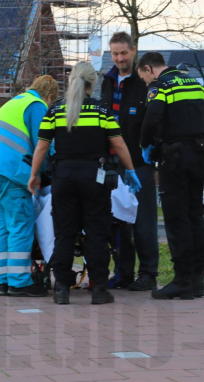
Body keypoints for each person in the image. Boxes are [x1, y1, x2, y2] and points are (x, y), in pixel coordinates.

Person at [28, 62, 142, 305]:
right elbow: (119, 144)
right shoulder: (102, 111)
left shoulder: (56, 110)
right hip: (95, 177)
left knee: (64, 234)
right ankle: (100, 289)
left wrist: (34, 174)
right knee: (97, 233)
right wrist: (130, 170)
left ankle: (61, 289)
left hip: (63, 177)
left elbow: (42, 146)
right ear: (94, 83)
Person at [0, 75, 59, 298]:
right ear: (49, 97)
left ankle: (4, 279)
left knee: (2, 225)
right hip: (10, 170)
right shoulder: (37, 105)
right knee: (20, 223)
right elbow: (44, 140)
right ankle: (20, 283)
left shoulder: (14, 102)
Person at [138, 52, 204, 300]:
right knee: (194, 217)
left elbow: (151, 119)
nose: (147, 84)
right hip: (198, 156)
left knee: (176, 218)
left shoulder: (161, 88)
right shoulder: (196, 84)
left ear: (149, 69)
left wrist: (144, 144)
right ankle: (196, 280)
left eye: (145, 79)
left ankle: (181, 281)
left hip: (174, 160)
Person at [100, 32, 159, 292]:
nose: (119, 58)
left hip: (139, 163)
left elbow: (152, 123)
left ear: (133, 51)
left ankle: (148, 274)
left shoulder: (144, 83)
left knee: (143, 221)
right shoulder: (107, 82)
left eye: (124, 53)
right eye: (115, 53)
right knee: (117, 221)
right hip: (112, 164)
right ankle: (122, 273)